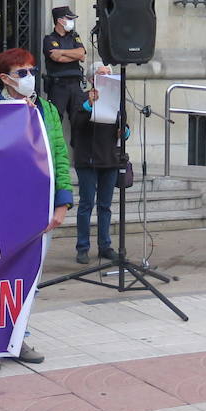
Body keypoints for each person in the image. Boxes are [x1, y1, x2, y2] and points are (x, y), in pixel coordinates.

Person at [0, 48, 71, 372]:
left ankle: (17, 339)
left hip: (38, 207)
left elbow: (59, 154)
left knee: (28, 278)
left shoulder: (45, 109)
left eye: (32, 70)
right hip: (2, 210)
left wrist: (61, 203)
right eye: (22, 72)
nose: (29, 77)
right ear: (5, 78)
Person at [70, 65, 123, 264]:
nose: (107, 77)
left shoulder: (116, 98)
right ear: (93, 78)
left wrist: (124, 132)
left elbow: (122, 123)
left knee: (105, 206)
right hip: (87, 158)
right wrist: (88, 105)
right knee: (86, 204)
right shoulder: (81, 96)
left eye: (109, 74)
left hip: (109, 157)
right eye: (102, 74)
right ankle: (82, 247)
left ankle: (105, 246)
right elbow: (75, 123)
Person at [42, 5, 86, 133]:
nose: (71, 21)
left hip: (75, 85)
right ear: (60, 20)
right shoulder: (49, 39)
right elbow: (56, 58)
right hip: (58, 86)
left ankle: (79, 152)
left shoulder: (74, 36)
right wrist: (74, 55)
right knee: (55, 121)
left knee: (79, 120)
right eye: (69, 18)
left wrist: (61, 51)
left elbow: (82, 54)